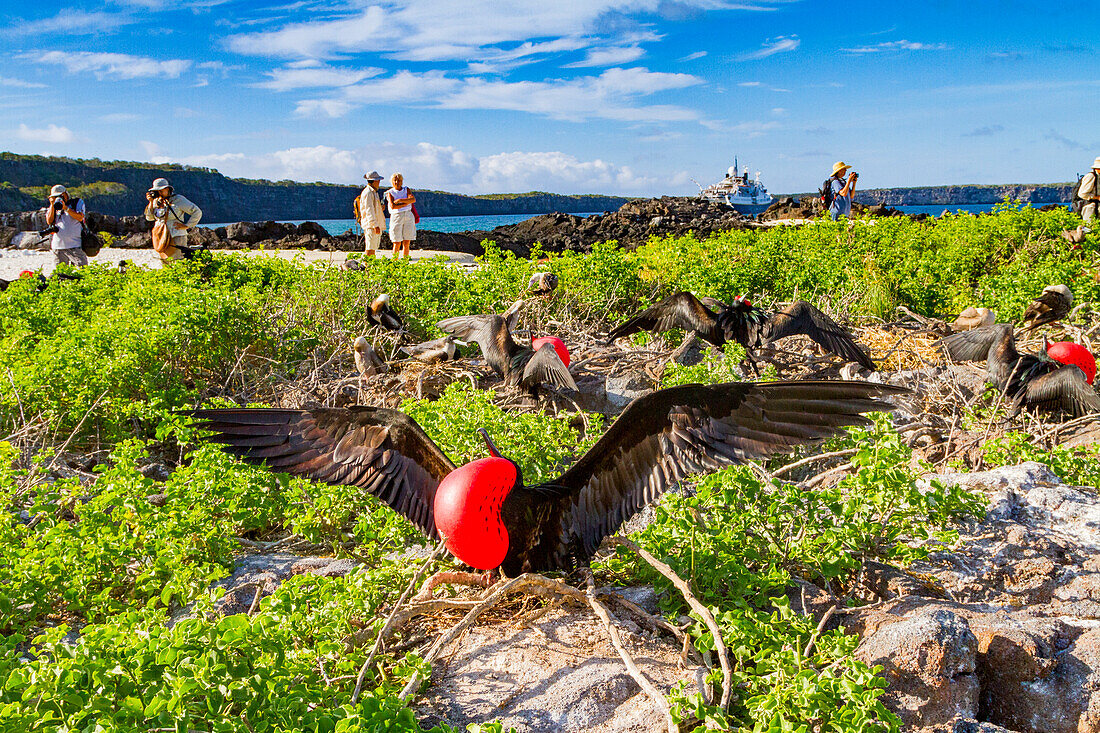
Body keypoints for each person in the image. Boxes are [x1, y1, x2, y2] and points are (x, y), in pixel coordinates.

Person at [144, 177, 202, 262]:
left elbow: (197, 212)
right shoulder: (156, 202)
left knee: (177, 262)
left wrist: (187, 225)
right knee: (164, 262)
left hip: (176, 235)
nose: (159, 193)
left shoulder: (178, 199)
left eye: (161, 190)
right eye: (157, 191)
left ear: (168, 189)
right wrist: (151, 202)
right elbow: (149, 218)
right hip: (160, 236)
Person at [45, 184, 88, 267]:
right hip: (58, 246)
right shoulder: (53, 206)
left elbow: (80, 217)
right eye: (55, 196)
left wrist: (66, 208)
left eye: (60, 195)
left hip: (75, 245)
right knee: (59, 274)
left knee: (83, 270)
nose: (58, 198)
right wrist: (52, 205)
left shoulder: (77, 203)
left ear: (65, 194)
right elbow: (49, 221)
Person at [385, 172, 416, 260]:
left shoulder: (406, 189)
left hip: (408, 215)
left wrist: (399, 201)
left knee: (407, 241)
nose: (397, 182)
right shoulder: (390, 192)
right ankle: (395, 261)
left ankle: (405, 261)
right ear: (392, 181)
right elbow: (392, 206)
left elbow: (413, 199)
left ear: (402, 181)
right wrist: (406, 203)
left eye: (399, 180)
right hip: (396, 216)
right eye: (395, 180)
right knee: (396, 241)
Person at [359, 171, 385, 258]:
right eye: (378, 181)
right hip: (371, 225)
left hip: (373, 224)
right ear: (374, 181)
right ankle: (367, 267)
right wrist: (375, 225)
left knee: (372, 247)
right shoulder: (368, 192)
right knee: (370, 248)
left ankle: (370, 266)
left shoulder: (373, 192)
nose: (379, 183)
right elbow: (369, 210)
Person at [1077, 157, 1100, 222]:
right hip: (1089, 207)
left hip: (1097, 207)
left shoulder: (1098, 176)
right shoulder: (1090, 176)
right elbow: (1082, 194)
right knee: (1088, 229)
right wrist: (1096, 197)